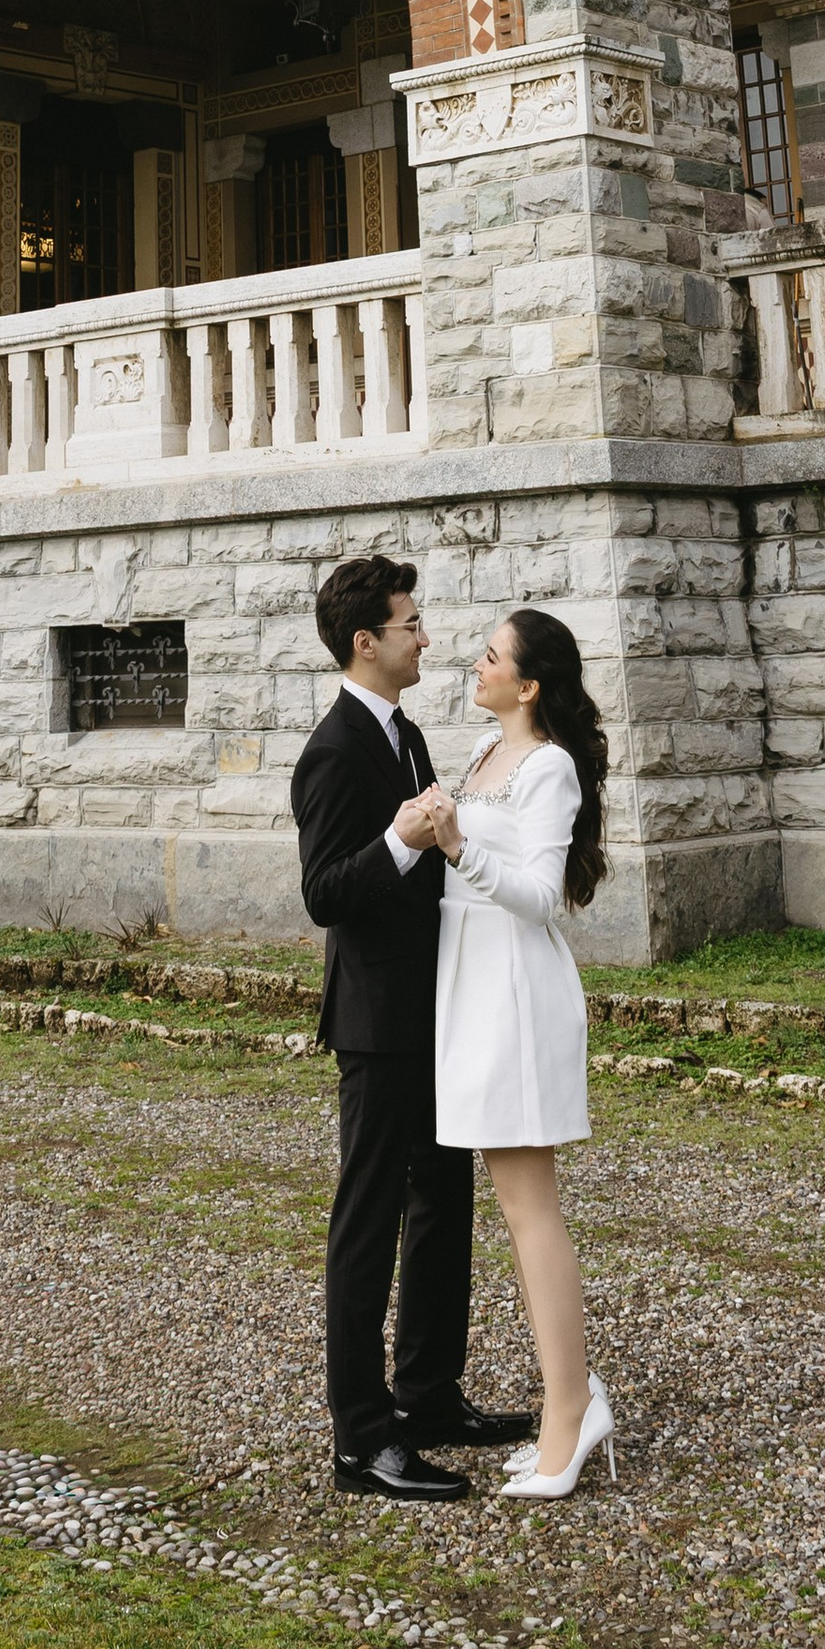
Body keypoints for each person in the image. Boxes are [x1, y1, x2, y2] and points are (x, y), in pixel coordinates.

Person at [290, 552, 540, 1499]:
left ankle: (428, 1394)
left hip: (439, 1005)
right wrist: (399, 837)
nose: (426, 635)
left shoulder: (409, 734)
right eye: (411, 622)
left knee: (444, 1200)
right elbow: (323, 893)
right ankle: (361, 1437)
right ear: (367, 640)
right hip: (377, 1020)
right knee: (369, 1220)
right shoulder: (333, 751)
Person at [416, 605, 614, 1499]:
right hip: (469, 989)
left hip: (515, 994)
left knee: (533, 1212)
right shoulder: (484, 754)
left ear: (527, 684)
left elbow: (539, 896)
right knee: (515, 1211)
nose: (474, 663)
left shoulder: (550, 765)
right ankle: (564, 1400)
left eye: (490, 656)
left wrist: (456, 843)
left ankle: (570, 1412)